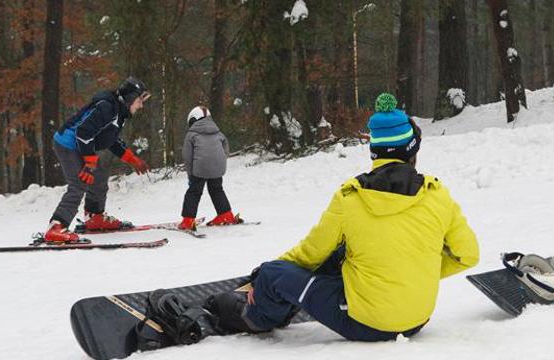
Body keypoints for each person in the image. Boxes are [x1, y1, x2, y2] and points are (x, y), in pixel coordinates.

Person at [147, 93, 479, 344]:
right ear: (412, 150)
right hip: (417, 318)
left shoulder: (352, 198)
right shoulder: (438, 195)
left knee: (279, 274)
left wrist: (267, 273)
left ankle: (255, 315)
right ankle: (287, 294)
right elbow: (468, 254)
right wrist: (415, 269)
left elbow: (310, 254)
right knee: (340, 256)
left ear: (374, 151)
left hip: (368, 323)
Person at [44, 77, 151, 243]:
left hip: (82, 145)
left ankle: (95, 217)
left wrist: (132, 159)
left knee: (99, 175)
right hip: (68, 144)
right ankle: (56, 227)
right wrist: (89, 162)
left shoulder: (118, 112)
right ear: (129, 98)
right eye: (139, 101)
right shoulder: (107, 108)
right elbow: (83, 132)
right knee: (80, 182)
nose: (141, 105)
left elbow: (110, 140)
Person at [178, 106, 240, 230]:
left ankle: (188, 220)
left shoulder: (191, 135)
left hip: (199, 168)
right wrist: (219, 161)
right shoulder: (218, 132)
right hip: (218, 167)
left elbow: (187, 156)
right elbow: (226, 147)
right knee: (217, 189)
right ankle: (226, 215)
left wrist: (191, 175)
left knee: (194, 192)